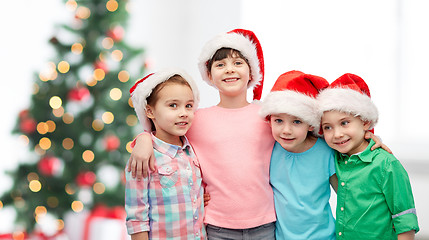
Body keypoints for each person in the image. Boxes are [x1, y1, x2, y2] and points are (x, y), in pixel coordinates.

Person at [128, 29, 277, 239]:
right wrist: (142, 139)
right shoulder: (195, 119)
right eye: (220, 64)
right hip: (217, 226)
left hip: (265, 223)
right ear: (209, 75)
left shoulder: (267, 116)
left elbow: (296, 133)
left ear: (252, 71)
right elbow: (162, 134)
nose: (229, 70)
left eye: (238, 63)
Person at [318, 73, 419, 240]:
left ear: (365, 122)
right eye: (327, 127)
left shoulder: (386, 164)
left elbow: (404, 218)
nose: (337, 134)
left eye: (344, 123)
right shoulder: (335, 157)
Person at [125, 69, 206, 239]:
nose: (183, 112)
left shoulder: (192, 150)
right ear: (150, 111)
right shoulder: (143, 157)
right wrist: (143, 139)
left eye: (189, 105)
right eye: (173, 105)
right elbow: (137, 216)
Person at [259, 70, 337, 240]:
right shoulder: (269, 148)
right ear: (269, 120)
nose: (286, 130)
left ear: (310, 124)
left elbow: (346, 195)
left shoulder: (326, 152)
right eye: (278, 121)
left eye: (296, 121)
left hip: (324, 237)